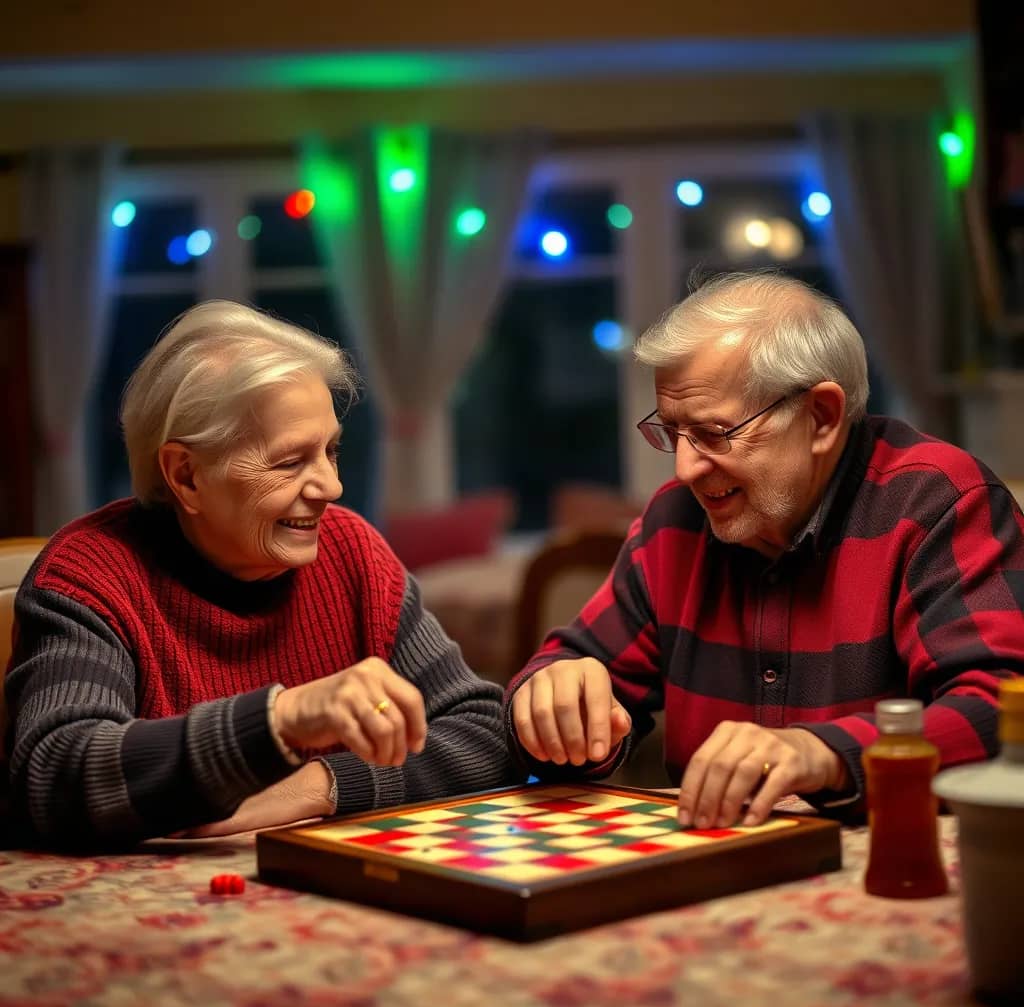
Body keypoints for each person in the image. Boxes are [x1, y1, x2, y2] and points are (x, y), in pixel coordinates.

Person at [507, 270, 1024, 830]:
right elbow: (567, 667)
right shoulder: (674, 521)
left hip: (891, 861)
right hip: (714, 866)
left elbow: (1003, 708)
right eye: (672, 432)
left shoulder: (937, 501)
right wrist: (547, 703)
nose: (684, 470)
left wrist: (821, 755)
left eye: (713, 433)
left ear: (821, 417)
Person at [5, 300, 519, 849]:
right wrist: (281, 719)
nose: (331, 487)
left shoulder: (354, 555)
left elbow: (483, 732)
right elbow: (55, 776)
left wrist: (318, 785)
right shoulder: (91, 575)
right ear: (187, 476)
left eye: (331, 451)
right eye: (290, 461)